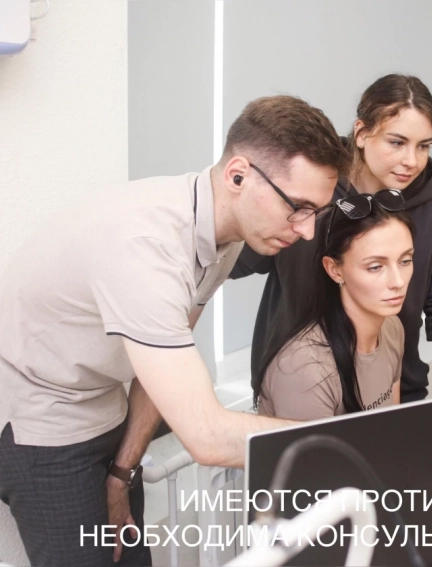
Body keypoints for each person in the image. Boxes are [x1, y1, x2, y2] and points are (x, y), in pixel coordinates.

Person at [0, 95, 348, 567]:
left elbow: (162, 363)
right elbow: (206, 436)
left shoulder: (224, 233)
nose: (306, 231)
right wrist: (345, 443)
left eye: (316, 213)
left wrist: (121, 472)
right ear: (238, 175)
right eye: (298, 207)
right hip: (41, 421)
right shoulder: (146, 248)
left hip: (102, 403)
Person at [232, 74, 432, 402]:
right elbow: (233, 256)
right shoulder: (308, 191)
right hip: (297, 390)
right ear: (362, 133)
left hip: (392, 393)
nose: (412, 161)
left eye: (423, 146)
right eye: (397, 142)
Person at [256, 195, 414, 420]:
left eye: (405, 261)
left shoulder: (391, 328)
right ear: (334, 270)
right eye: (375, 267)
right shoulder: (304, 368)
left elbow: (391, 429)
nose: (398, 281)